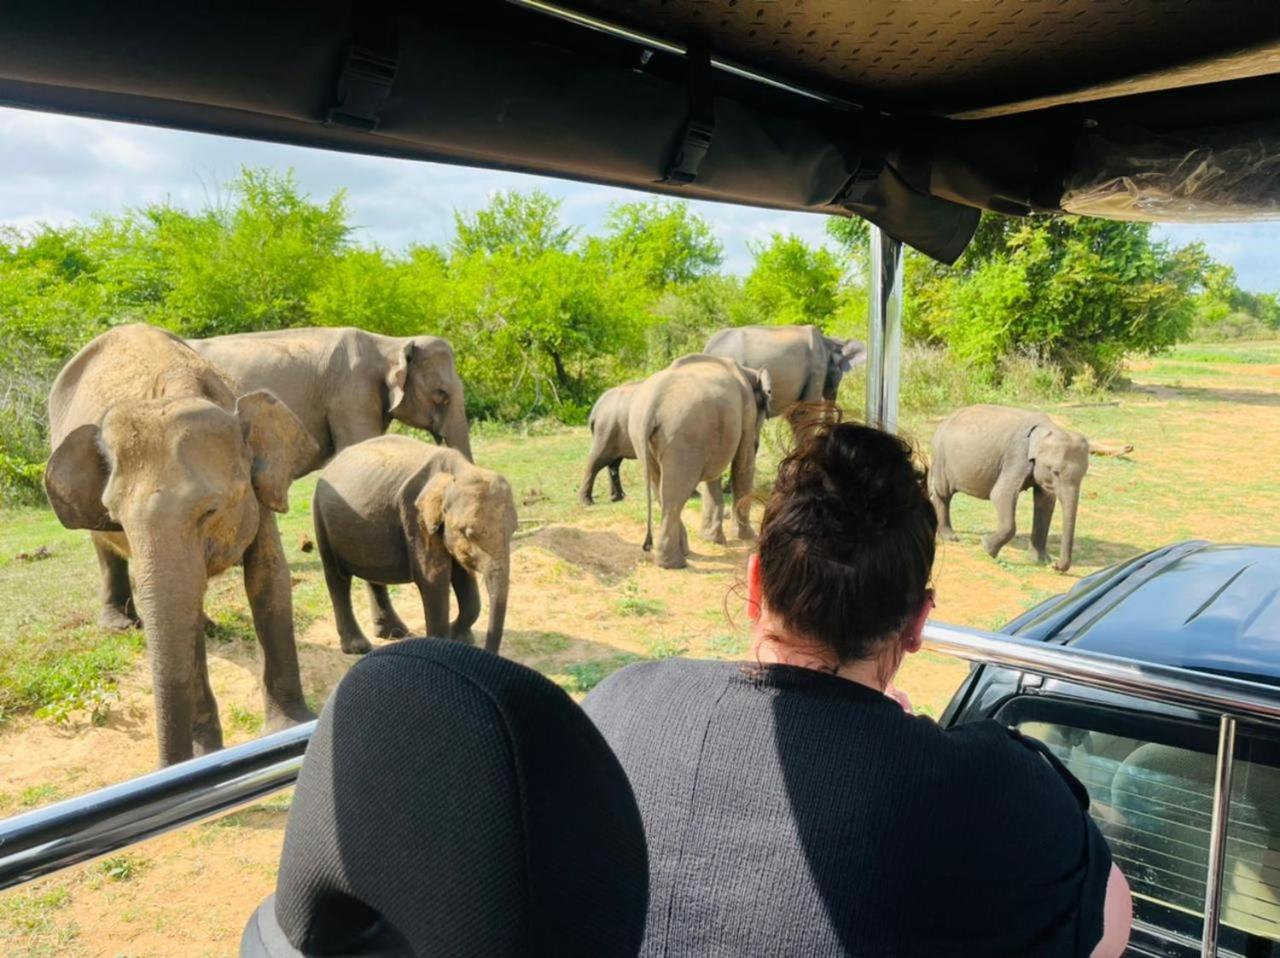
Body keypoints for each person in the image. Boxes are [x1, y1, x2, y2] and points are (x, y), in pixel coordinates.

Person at [583, 406, 1131, 957]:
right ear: (918, 623)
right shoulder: (989, 785)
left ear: (754, 586)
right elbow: (1110, 923)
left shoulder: (618, 702)